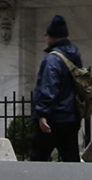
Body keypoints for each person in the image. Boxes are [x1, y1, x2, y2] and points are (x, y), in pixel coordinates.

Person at [31, 15, 88, 162]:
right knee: (71, 158)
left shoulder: (52, 59)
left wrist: (42, 114)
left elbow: (49, 87)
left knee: (38, 158)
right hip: (71, 116)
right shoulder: (74, 56)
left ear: (53, 37)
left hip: (54, 118)